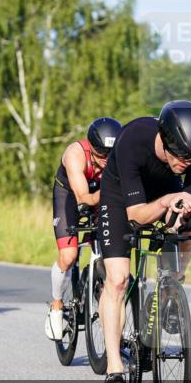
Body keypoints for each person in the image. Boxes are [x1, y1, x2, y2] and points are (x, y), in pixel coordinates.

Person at [96, 101, 191, 383]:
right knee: (119, 279)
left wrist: (186, 208)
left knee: (188, 226)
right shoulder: (134, 140)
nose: (189, 163)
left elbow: (190, 197)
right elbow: (135, 215)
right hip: (121, 198)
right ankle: (114, 369)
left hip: (164, 191)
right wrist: (167, 202)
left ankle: (170, 288)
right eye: (182, 156)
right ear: (165, 139)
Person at [46, 117, 122, 340]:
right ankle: (57, 304)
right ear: (92, 148)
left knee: (111, 256)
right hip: (71, 196)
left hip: (101, 196)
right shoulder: (75, 155)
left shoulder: (115, 156)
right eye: (102, 156)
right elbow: (83, 197)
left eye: (112, 155)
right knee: (69, 256)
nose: (108, 162)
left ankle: (100, 291)